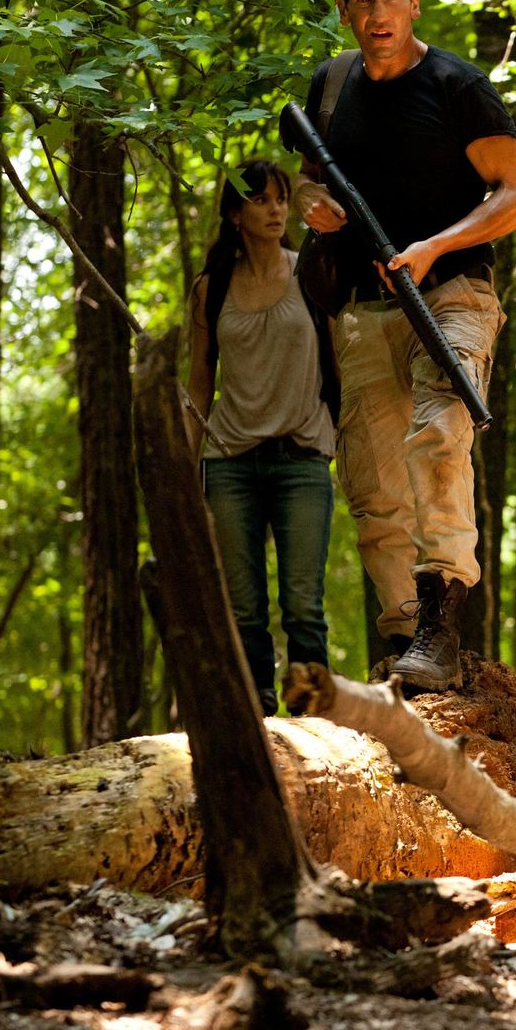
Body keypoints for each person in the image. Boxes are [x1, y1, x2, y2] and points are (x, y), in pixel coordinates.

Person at [293, 0, 516, 692]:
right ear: (343, 11)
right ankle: (406, 641)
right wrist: (314, 207)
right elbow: (304, 186)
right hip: (365, 310)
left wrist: (437, 245)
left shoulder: (457, 86)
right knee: (373, 484)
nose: (378, 14)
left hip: (454, 293)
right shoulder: (330, 88)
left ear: (414, 3)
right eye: (363, 1)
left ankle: (441, 620)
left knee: (439, 435)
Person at [186, 160, 339, 716]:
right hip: (228, 462)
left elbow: (340, 362)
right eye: (262, 201)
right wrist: (185, 463)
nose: (277, 210)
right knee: (243, 609)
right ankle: (253, 716)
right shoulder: (210, 289)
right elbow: (200, 382)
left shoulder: (311, 273)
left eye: (280, 199)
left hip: (302, 459)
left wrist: (343, 436)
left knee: (303, 607)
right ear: (235, 214)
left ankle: (313, 718)